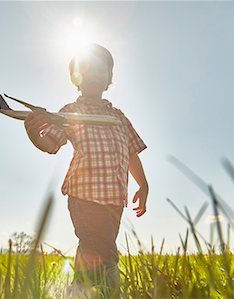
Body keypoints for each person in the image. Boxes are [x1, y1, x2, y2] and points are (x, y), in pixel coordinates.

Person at [24, 44, 149, 298]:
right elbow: (51, 144)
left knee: (93, 252)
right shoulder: (70, 112)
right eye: (86, 69)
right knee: (104, 252)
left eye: (100, 70)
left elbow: (132, 151)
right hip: (85, 195)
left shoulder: (118, 116)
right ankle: (109, 292)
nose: (93, 74)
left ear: (110, 79)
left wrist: (143, 185)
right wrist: (34, 134)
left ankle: (76, 292)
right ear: (76, 78)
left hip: (115, 199)